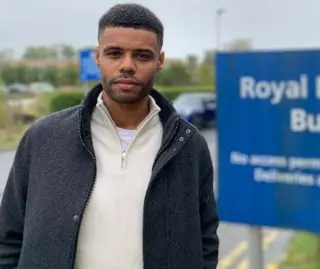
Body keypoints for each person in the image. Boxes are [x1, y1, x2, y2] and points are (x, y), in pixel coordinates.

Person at [0, 3, 219, 269]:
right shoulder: (43, 138)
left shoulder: (189, 145)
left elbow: (205, 240)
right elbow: (9, 238)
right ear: (98, 56)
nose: (127, 65)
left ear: (159, 61)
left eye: (142, 56)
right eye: (115, 53)